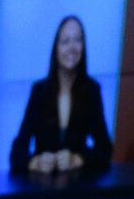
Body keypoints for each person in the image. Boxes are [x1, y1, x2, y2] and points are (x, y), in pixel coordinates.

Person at [8, 13, 112, 176]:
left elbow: (105, 149)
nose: (72, 47)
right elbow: (16, 153)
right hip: (42, 189)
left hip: (78, 189)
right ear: (56, 48)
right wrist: (34, 162)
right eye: (65, 41)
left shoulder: (91, 90)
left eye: (78, 40)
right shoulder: (39, 91)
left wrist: (79, 159)